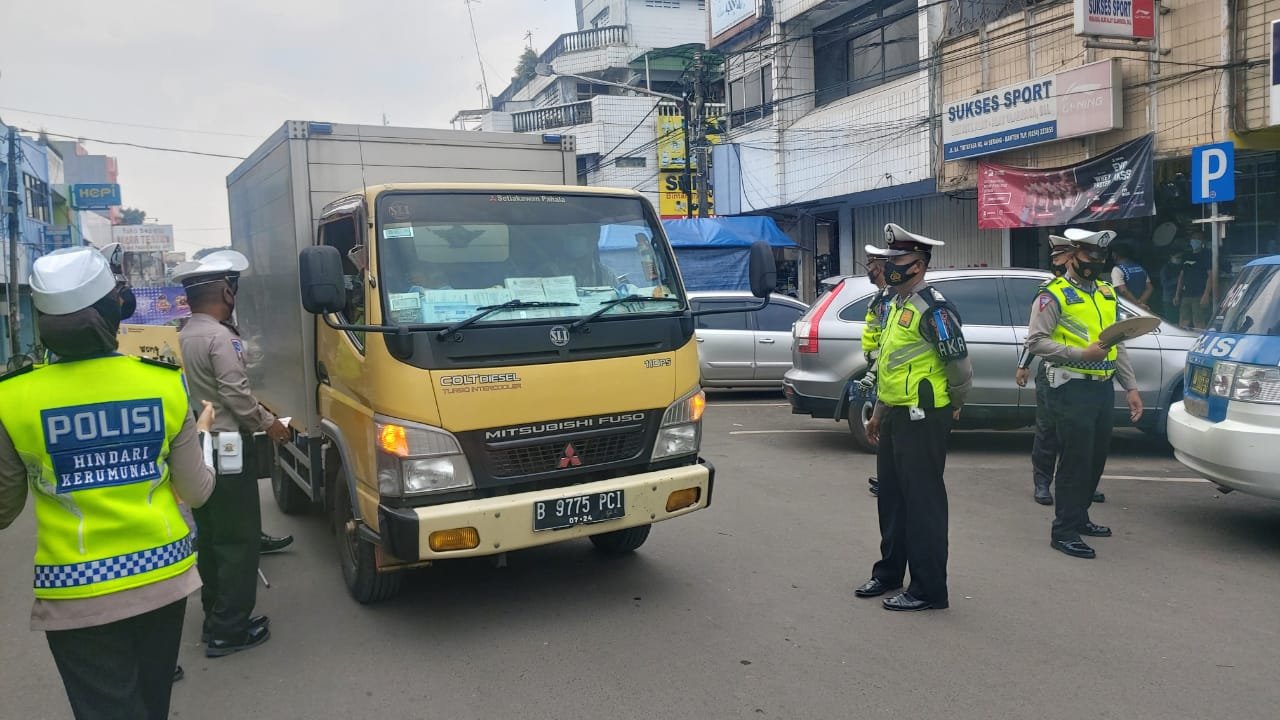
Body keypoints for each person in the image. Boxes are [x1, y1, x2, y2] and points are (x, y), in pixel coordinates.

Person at [0, 246, 217, 719]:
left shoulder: (11, 398)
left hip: (75, 593)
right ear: (113, 313)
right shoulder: (162, 384)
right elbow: (197, 491)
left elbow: (4, 510)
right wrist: (200, 433)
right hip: (162, 577)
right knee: (151, 704)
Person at [174, 250, 290, 657]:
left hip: (200, 444)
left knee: (212, 536)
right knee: (239, 540)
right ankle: (230, 630)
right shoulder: (221, 338)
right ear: (226, 291)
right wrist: (270, 424)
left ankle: (215, 617)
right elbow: (237, 395)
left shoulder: (188, 333)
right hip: (228, 447)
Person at [854, 224, 973, 612]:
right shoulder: (897, 304)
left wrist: (954, 403)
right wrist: (879, 414)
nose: (887, 267)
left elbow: (960, 366)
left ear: (918, 265)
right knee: (891, 498)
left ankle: (928, 589)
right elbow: (892, 366)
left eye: (896, 261)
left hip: (924, 418)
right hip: (895, 416)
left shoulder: (933, 308)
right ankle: (889, 573)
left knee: (923, 504)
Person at [1025, 228, 1143, 560]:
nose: (1095, 263)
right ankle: (1063, 530)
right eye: (1090, 257)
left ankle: (1081, 517)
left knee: (1094, 459)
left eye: (1101, 258)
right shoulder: (1053, 294)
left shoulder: (1106, 292)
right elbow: (1035, 341)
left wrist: (1131, 387)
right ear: (1073, 255)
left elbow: (1116, 343)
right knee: (1075, 461)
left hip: (1102, 388)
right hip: (1070, 386)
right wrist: (1080, 354)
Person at [1015, 235, 1074, 506]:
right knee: (1048, 430)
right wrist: (1024, 364)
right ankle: (1042, 482)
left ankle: (1077, 481)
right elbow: (1035, 334)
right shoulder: (1048, 290)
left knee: (1077, 433)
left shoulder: (1095, 290)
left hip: (1083, 372)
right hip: (1052, 370)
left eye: (1060, 257)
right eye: (1054, 259)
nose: (1056, 263)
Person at [859, 250, 892, 498]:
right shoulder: (880, 296)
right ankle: (887, 477)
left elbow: (888, 342)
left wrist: (873, 371)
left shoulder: (890, 299)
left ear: (879, 267)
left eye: (870, 265)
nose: (868, 270)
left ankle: (890, 479)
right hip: (880, 368)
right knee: (882, 424)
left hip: (887, 369)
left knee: (887, 426)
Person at [1174, 233, 1213, 330]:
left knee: (1199, 322)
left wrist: (1206, 294)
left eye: (1197, 238)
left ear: (1202, 241)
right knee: (1183, 322)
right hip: (1186, 295)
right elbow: (1181, 277)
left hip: (1199, 295)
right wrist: (1177, 294)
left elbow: (1211, 276)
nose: (1194, 241)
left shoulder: (1206, 255)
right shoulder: (1187, 255)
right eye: (1193, 239)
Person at [1110, 242, 1153, 310]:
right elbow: (1149, 288)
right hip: (1142, 308)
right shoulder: (1140, 268)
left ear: (1115, 255)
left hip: (1126, 307)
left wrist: (1136, 304)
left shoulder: (1117, 269)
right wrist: (1140, 302)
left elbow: (1123, 291)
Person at [1159, 250, 1184, 321]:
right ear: (1171, 257)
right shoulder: (1166, 268)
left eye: (1181, 257)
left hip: (1182, 297)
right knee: (1171, 321)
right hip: (1169, 298)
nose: (1180, 259)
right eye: (1178, 257)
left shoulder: (1182, 266)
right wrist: (1178, 279)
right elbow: (1164, 284)